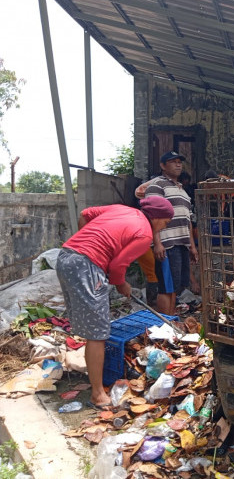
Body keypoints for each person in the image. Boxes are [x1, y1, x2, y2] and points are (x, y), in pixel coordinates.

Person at [55, 197, 174, 409]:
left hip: (66, 256)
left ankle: (93, 374)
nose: (164, 227)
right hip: (86, 265)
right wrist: (121, 284)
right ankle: (98, 394)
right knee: (98, 333)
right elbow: (119, 265)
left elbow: (85, 214)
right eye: (165, 222)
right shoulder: (145, 233)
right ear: (155, 218)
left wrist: (86, 242)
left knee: (90, 327)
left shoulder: (122, 208)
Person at [145, 151, 199, 315]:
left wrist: (192, 246)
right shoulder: (156, 185)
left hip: (181, 244)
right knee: (166, 287)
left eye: (179, 162)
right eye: (173, 161)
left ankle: (171, 320)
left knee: (176, 285)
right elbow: (152, 215)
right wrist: (158, 243)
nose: (178, 164)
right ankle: (165, 322)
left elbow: (187, 220)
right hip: (167, 244)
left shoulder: (183, 191)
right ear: (162, 166)